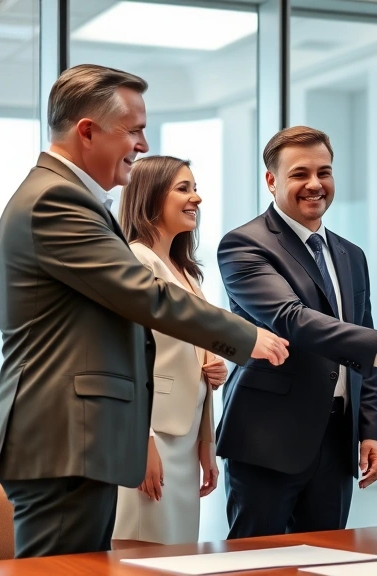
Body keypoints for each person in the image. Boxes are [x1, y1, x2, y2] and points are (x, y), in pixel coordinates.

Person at [0, 64, 289, 558]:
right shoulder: (55, 200)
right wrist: (246, 336)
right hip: (64, 440)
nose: (143, 145)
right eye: (134, 131)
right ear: (88, 131)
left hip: (78, 439)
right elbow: (144, 295)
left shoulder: (75, 199)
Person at [216, 126, 377, 538]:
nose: (315, 184)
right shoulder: (244, 245)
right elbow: (292, 319)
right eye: (299, 174)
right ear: (271, 180)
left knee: (328, 557)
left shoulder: (350, 254)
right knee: (256, 564)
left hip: (336, 440)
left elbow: (361, 340)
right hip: (267, 440)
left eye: (324, 172)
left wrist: (371, 429)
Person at [112, 156, 225, 544]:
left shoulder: (187, 272)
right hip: (153, 437)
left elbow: (194, 356)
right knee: (143, 554)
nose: (197, 197)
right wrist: (139, 445)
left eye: (194, 188)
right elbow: (124, 356)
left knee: (176, 554)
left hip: (184, 438)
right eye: (184, 188)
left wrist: (206, 444)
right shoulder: (136, 260)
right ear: (151, 195)